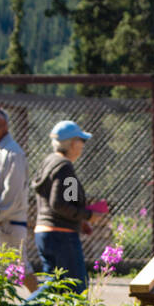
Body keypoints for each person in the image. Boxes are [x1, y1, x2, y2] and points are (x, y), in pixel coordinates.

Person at [32, 120, 100, 295]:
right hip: (61, 235)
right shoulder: (64, 167)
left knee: (55, 284)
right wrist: (88, 215)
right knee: (76, 287)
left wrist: (79, 220)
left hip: (44, 233)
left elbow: (66, 201)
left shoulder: (49, 162)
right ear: (71, 143)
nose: (83, 146)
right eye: (81, 141)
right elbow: (60, 204)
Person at [0, 105, 38, 292]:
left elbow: (14, 193)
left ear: (4, 126)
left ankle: (44, 305)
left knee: (20, 268)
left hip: (8, 223)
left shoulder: (14, 154)